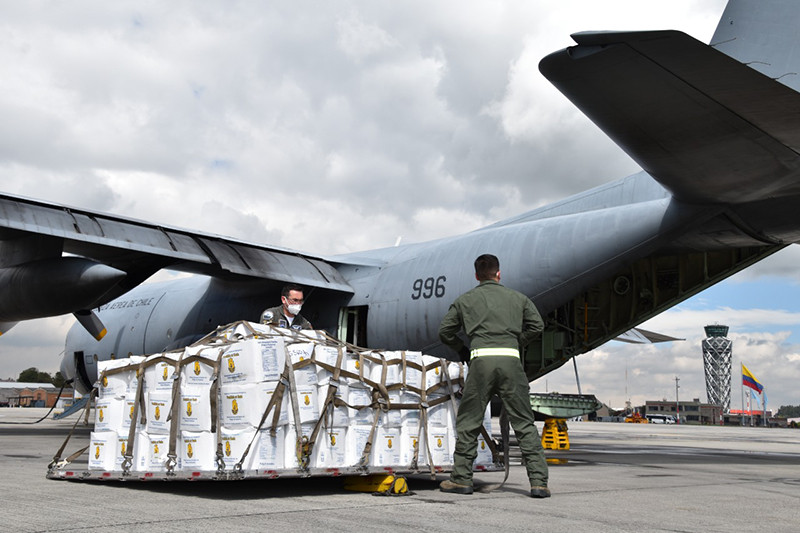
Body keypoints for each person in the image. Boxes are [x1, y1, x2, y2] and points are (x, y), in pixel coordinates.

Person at [438, 254, 550, 498]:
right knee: (524, 422)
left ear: (477, 276)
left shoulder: (465, 300)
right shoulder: (518, 298)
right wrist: (517, 341)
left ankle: (461, 480)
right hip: (511, 362)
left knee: (469, 422)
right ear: (499, 274)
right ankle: (539, 483)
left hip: (481, 363)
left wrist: (462, 350)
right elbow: (537, 326)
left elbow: (445, 331)